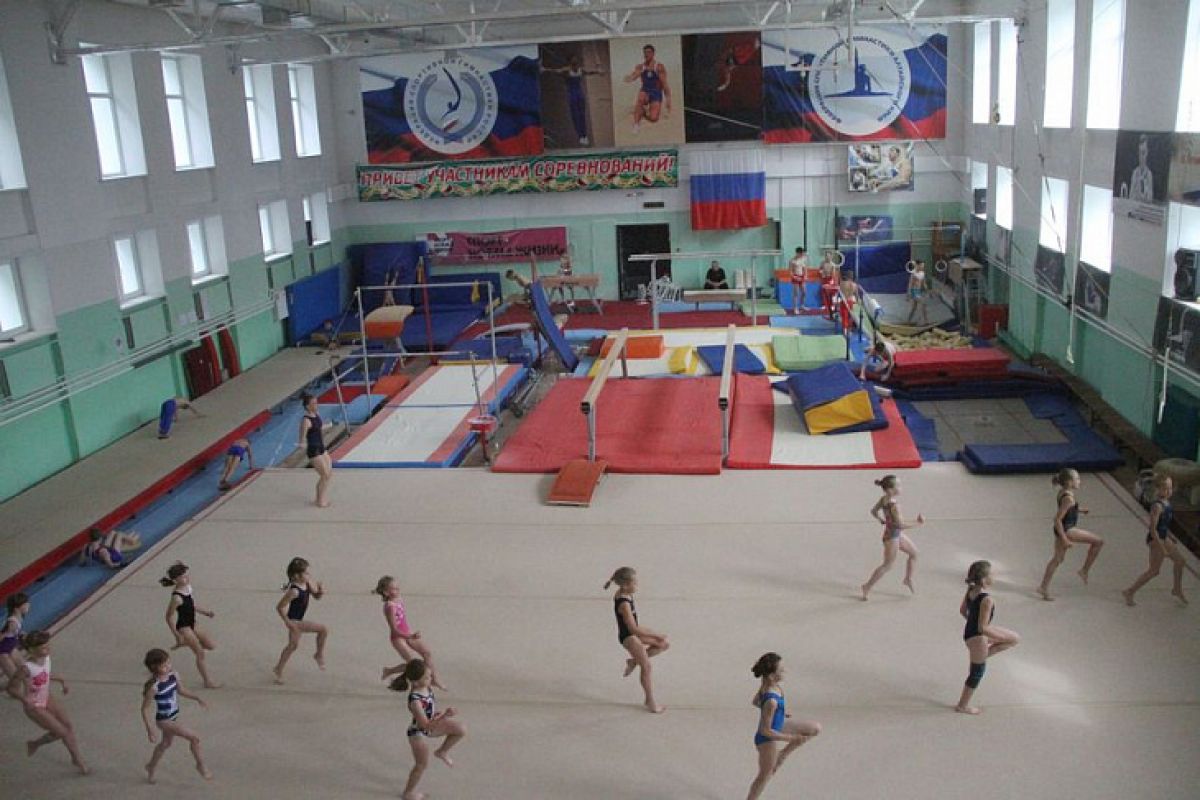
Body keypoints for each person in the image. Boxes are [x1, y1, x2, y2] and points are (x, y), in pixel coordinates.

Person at [6, 631, 89, 774]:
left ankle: (76, 758)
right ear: (32, 650)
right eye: (43, 648)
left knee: (68, 725)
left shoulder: (46, 658)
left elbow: (45, 674)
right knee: (61, 732)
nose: (47, 649)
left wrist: (61, 680)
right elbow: (11, 688)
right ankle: (35, 744)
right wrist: (24, 699)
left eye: (47, 645)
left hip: (46, 697)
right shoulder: (26, 668)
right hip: (34, 705)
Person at [745, 652, 821, 800]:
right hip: (766, 739)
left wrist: (780, 713)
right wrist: (791, 738)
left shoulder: (772, 686)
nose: (785, 671)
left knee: (815, 728)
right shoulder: (771, 701)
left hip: (778, 726)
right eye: (781, 670)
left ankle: (782, 754)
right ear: (771, 676)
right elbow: (765, 730)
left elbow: (755, 701)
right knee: (765, 775)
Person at [389, 659, 466, 800]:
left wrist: (438, 714)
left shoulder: (425, 686)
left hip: (432, 724)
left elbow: (410, 667)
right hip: (418, 733)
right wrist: (444, 716)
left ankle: (442, 751)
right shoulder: (415, 701)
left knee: (460, 729)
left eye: (430, 675)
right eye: (427, 677)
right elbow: (425, 726)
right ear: (415, 682)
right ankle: (408, 793)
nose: (431, 679)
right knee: (421, 765)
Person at [955, 560, 1020, 715]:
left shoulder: (971, 590)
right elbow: (982, 628)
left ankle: (980, 656)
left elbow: (963, 611)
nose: (994, 576)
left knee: (1015, 638)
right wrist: (998, 638)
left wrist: (973, 623)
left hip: (971, 633)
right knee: (977, 672)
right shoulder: (987, 599)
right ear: (984, 580)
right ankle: (962, 706)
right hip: (977, 637)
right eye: (992, 574)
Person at [141, 648, 212, 783]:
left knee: (165, 744)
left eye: (169, 663)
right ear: (154, 667)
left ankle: (151, 766)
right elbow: (144, 709)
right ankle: (200, 764)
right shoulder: (154, 687)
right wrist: (149, 730)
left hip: (173, 716)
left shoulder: (173, 675)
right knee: (194, 738)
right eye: (164, 665)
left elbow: (181, 690)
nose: (168, 667)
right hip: (164, 720)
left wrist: (196, 698)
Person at [605, 566, 670, 713]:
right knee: (646, 667)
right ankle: (650, 701)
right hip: (629, 637)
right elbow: (634, 628)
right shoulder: (624, 604)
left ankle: (633, 661)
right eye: (635, 583)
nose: (637, 585)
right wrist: (656, 635)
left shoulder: (626, 594)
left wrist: (656, 636)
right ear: (625, 585)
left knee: (663, 645)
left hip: (634, 633)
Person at [1037, 468, 1105, 601]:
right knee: (1098, 542)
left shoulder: (1063, 493)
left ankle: (1043, 587)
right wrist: (1065, 539)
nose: (1080, 481)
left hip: (1062, 529)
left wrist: (1080, 510)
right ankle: (1084, 570)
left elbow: (1068, 509)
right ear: (1069, 482)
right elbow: (1057, 519)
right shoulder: (1069, 498)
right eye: (1077, 479)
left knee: (1057, 559)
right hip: (1067, 530)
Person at [1124, 475, 1190, 606]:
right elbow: (1153, 529)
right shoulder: (1157, 506)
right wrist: (1162, 547)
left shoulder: (1167, 503)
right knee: (1154, 571)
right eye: (1165, 488)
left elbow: (1163, 524)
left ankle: (1176, 588)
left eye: (1170, 488)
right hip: (1156, 540)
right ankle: (1129, 591)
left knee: (1180, 561)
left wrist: (1170, 536)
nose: (1168, 491)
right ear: (1157, 489)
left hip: (1164, 537)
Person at [376, 576, 447, 690]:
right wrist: (410, 635)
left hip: (407, 633)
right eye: (394, 589)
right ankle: (392, 672)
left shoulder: (398, 599)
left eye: (398, 587)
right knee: (414, 665)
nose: (398, 590)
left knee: (427, 653)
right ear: (386, 592)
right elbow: (394, 629)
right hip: (398, 638)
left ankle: (434, 679)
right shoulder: (390, 607)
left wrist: (410, 634)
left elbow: (403, 621)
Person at [861, 475, 925, 600]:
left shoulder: (884, 499)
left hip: (895, 534)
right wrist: (918, 523)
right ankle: (867, 586)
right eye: (898, 486)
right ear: (890, 490)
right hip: (892, 537)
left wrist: (881, 519)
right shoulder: (894, 506)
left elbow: (873, 511)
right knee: (887, 565)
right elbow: (900, 525)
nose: (901, 488)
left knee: (914, 554)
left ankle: (907, 579)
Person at [161, 562, 221, 689]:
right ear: (176, 580)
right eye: (183, 577)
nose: (187, 578)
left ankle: (186, 643)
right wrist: (176, 635)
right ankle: (207, 681)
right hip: (184, 627)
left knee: (210, 646)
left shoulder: (188, 588)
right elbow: (168, 617)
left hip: (193, 622)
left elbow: (191, 605)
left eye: (186, 575)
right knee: (200, 653)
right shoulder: (176, 598)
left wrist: (205, 612)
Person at [273, 557, 328, 683]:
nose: (309, 575)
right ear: (296, 576)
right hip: (295, 622)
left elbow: (316, 597)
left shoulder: (306, 584)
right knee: (323, 629)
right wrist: (288, 622)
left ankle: (278, 668)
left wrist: (320, 591)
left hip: (297, 621)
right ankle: (318, 654)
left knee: (292, 646)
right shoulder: (294, 591)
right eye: (306, 573)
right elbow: (279, 607)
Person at [542, 55, 604, 146]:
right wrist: (545, 69)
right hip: (572, 95)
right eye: (574, 64)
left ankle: (584, 135)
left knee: (582, 115)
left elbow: (590, 72)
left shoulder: (580, 70)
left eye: (576, 63)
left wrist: (598, 72)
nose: (576, 66)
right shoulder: (566, 71)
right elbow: (555, 71)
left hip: (580, 94)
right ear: (570, 64)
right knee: (575, 115)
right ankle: (580, 136)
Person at [624, 44, 671, 132]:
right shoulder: (640, 67)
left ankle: (644, 112)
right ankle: (636, 124)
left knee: (653, 118)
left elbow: (665, 84)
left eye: (649, 52)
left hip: (656, 92)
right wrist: (629, 78)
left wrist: (668, 99)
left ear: (653, 53)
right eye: (645, 52)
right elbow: (634, 75)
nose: (646, 54)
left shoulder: (659, 67)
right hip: (645, 91)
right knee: (641, 98)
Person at [299, 393, 332, 508]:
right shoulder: (306, 420)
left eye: (317, 403)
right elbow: (302, 437)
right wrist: (302, 444)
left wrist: (328, 425)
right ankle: (320, 501)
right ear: (308, 406)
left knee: (328, 474)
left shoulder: (316, 415)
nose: (316, 405)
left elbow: (318, 427)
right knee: (324, 475)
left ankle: (319, 498)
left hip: (322, 447)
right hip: (314, 450)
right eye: (314, 403)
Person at [0, 592, 30, 687]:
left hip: (11, 648)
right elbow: (2, 635)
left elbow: (14, 633)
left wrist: (22, 634)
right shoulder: (12, 623)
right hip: (3, 652)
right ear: (16, 609)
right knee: (15, 681)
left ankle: (30, 689)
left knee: (25, 671)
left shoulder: (19, 618)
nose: (28, 606)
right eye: (25, 605)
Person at [1128, 134, 1154, 202]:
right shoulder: (1135, 173)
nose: (1141, 157)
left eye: (1143, 153)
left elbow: (1150, 199)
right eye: (1139, 153)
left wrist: (1143, 194)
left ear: (1147, 153)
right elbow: (1130, 197)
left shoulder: (1149, 174)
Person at [905, 260, 929, 325]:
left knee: (914, 308)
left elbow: (924, 283)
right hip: (914, 291)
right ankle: (926, 321)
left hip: (918, 291)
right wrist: (908, 294)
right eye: (921, 265)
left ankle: (908, 321)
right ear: (917, 265)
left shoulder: (922, 273)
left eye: (923, 266)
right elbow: (910, 285)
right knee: (923, 303)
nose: (922, 267)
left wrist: (927, 290)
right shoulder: (913, 274)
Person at [788, 247, 808, 314]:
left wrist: (805, 275)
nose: (802, 255)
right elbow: (790, 272)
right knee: (796, 293)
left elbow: (805, 268)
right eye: (801, 253)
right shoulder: (792, 261)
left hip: (802, 277)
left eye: (802, 254)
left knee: (804, 292)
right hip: (795, 277)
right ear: (797, 253)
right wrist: (794, 277)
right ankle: (795, 308)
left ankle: (802, 305)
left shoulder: (803, 259)